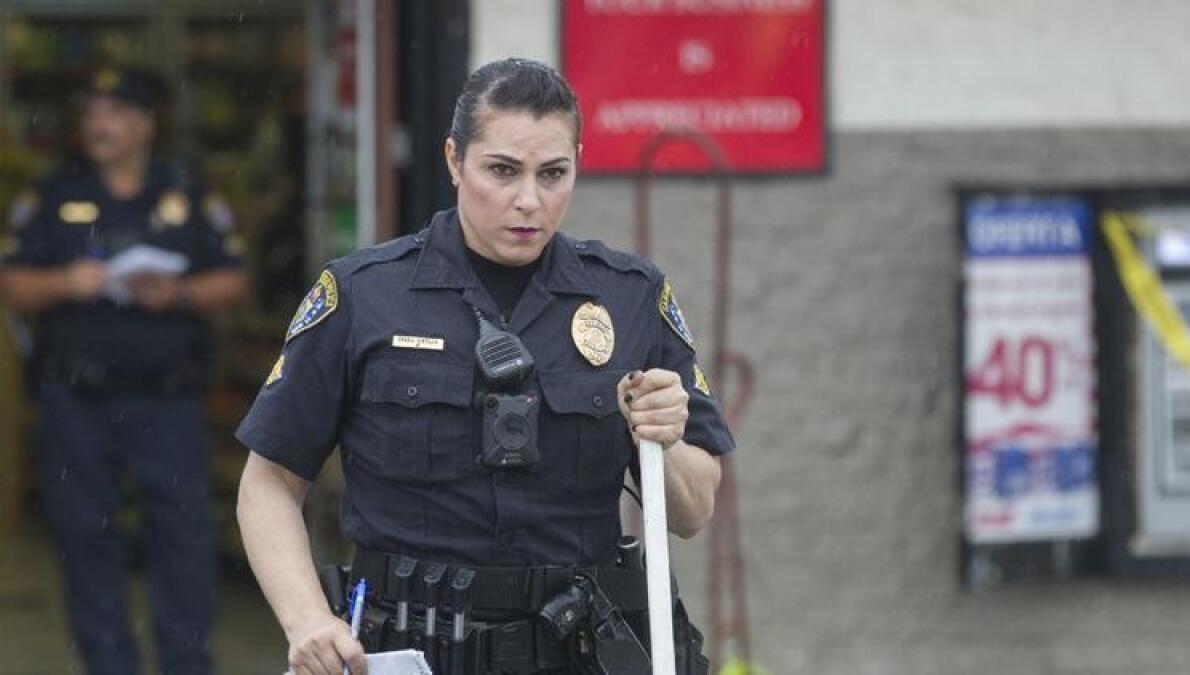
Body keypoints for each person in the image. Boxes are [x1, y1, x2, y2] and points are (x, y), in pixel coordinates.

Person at [235, 58, 733, 675]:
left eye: (554, 173)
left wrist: (669, 437)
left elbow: (692, 512)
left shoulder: (630, 297)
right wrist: (307, 619)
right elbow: (269, 483)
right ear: (453, 159)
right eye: (502, 170)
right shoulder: (363, 295)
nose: (529, 200)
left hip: (574, 651)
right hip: (410, 651)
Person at [0, 67, 249, 675]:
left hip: (168, 400)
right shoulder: (53, 195)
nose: (97, 125)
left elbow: (235, 279)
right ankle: (109, 664)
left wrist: (180, 294)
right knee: (86, 539)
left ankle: (187, 663)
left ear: (146, 124)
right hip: (76, 400)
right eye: (91, 113)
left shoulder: (185, 193)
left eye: (112, 113)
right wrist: (68, 281)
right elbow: (11, 282)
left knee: (183, 540)